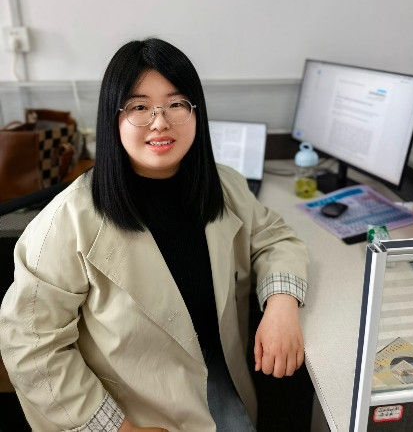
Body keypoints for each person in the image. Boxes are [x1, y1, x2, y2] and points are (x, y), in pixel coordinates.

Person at [0, 38, 309, 432]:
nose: (160, 122)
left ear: (196, 112)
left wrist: (281, 304)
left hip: (222, 386)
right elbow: (29, 342)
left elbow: (274, 238)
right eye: (139, 107)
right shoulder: (68, 219)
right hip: (132, 410)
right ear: (113, 117)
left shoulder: (223, 186)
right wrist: (117, 428)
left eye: (176, 104)